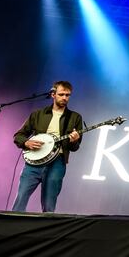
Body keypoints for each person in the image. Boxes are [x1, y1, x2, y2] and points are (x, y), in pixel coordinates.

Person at [12, 80, 83, 213]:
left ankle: (45, 232)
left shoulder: (75, 117)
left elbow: (75, 147)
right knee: (21, 199)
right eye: (61, 94)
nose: (65, 98)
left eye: (68, 95)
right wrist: (26, 142)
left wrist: (74, 141)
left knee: (49, 204)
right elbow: (18, 136)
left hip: (57, 162)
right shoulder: (38, 114)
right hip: (33, 163)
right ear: (53, 94)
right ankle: (11, 227)